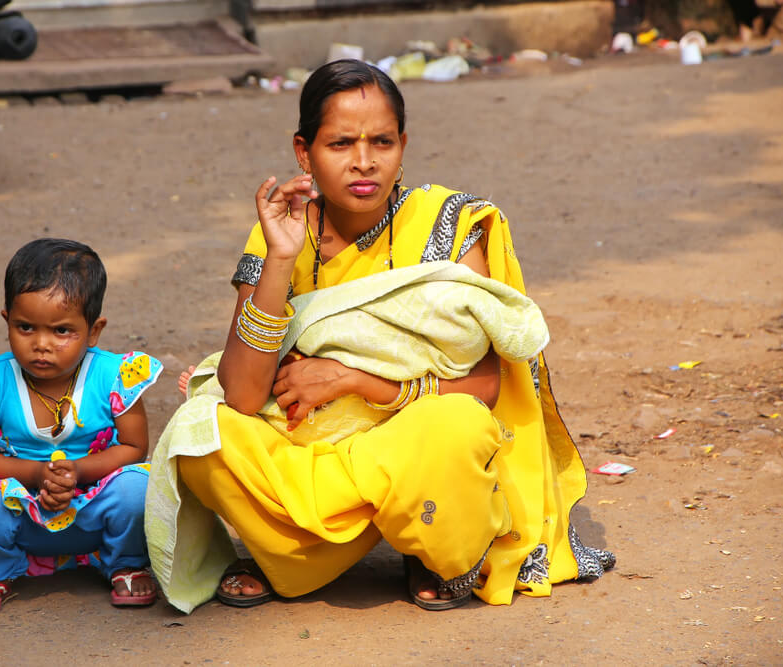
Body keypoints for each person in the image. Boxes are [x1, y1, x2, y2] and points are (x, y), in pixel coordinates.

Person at [146, 59, 613, 614]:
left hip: (408, 446)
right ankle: (299, 558)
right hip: (311, 445)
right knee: (201, 432)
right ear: (304, 152)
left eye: (382, 142)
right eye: (341, 143)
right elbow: (245, 395)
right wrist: (279, 258)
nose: (364, 162)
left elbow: (484, 387)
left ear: (403, 144)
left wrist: (353, 380)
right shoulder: (282, 230)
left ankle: (428, 546)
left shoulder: (449, 226)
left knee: (458, 426)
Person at [0, 238, 163, 614]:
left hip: (95, 504)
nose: (41, 345)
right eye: (25, 327)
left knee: (138, 489)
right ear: (6, 320)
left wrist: (77, 471)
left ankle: (123, 562)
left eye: (62, 331)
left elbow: (134, 447)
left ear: (94, 331)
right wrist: (36, 474)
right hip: (23, 507)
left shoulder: (115, 376)